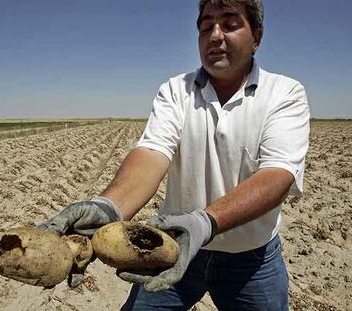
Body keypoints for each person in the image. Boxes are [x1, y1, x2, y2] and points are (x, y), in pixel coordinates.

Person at [38, 0, 310, 309]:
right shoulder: (176, 90)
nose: (215, 35)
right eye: (206, 27)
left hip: (252, 261)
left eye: (230, 24)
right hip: (173, 247)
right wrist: (110, 206)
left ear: (256, 38)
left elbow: (277, 175)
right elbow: (153, 152)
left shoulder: (285, 93)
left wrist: (205, 223)